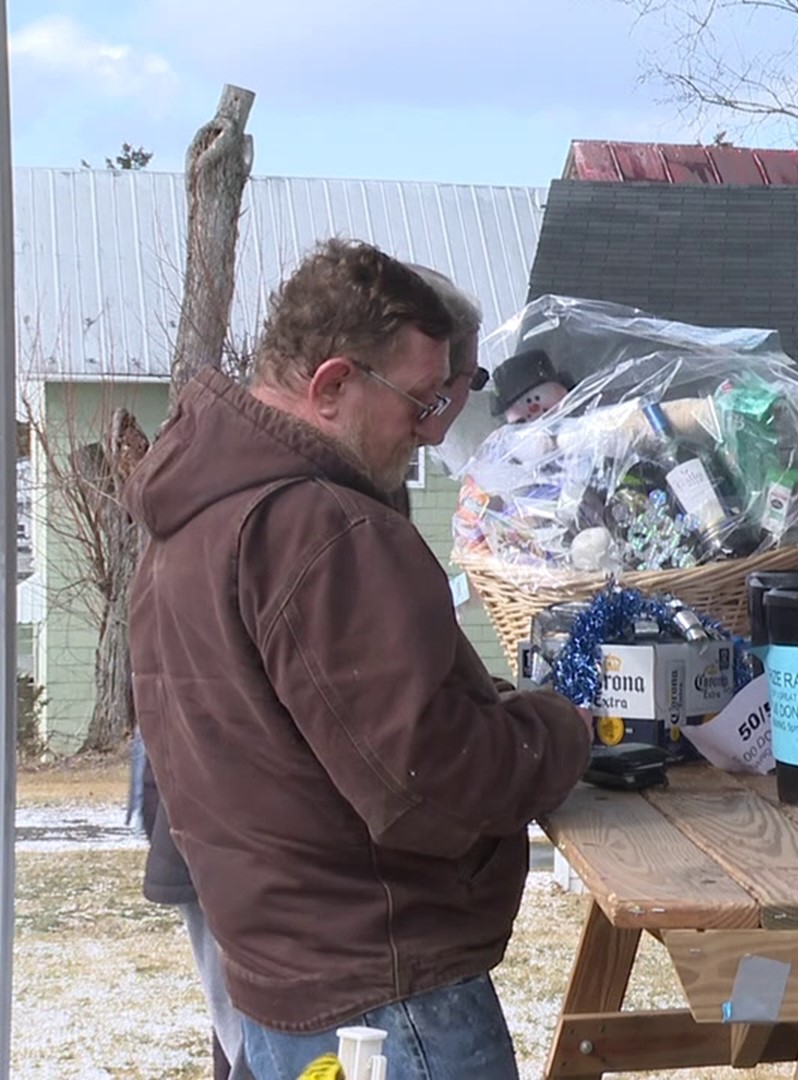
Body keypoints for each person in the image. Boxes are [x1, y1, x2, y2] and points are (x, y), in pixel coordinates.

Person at [126, 238, 593, 1080]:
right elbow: (426, 775)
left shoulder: (193, 512)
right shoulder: (321, 527)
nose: (429, 428)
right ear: (333, 385)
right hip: (384, 993)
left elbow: (323, 727)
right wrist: (563, 726)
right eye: (418, 401)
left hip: (286, 981)